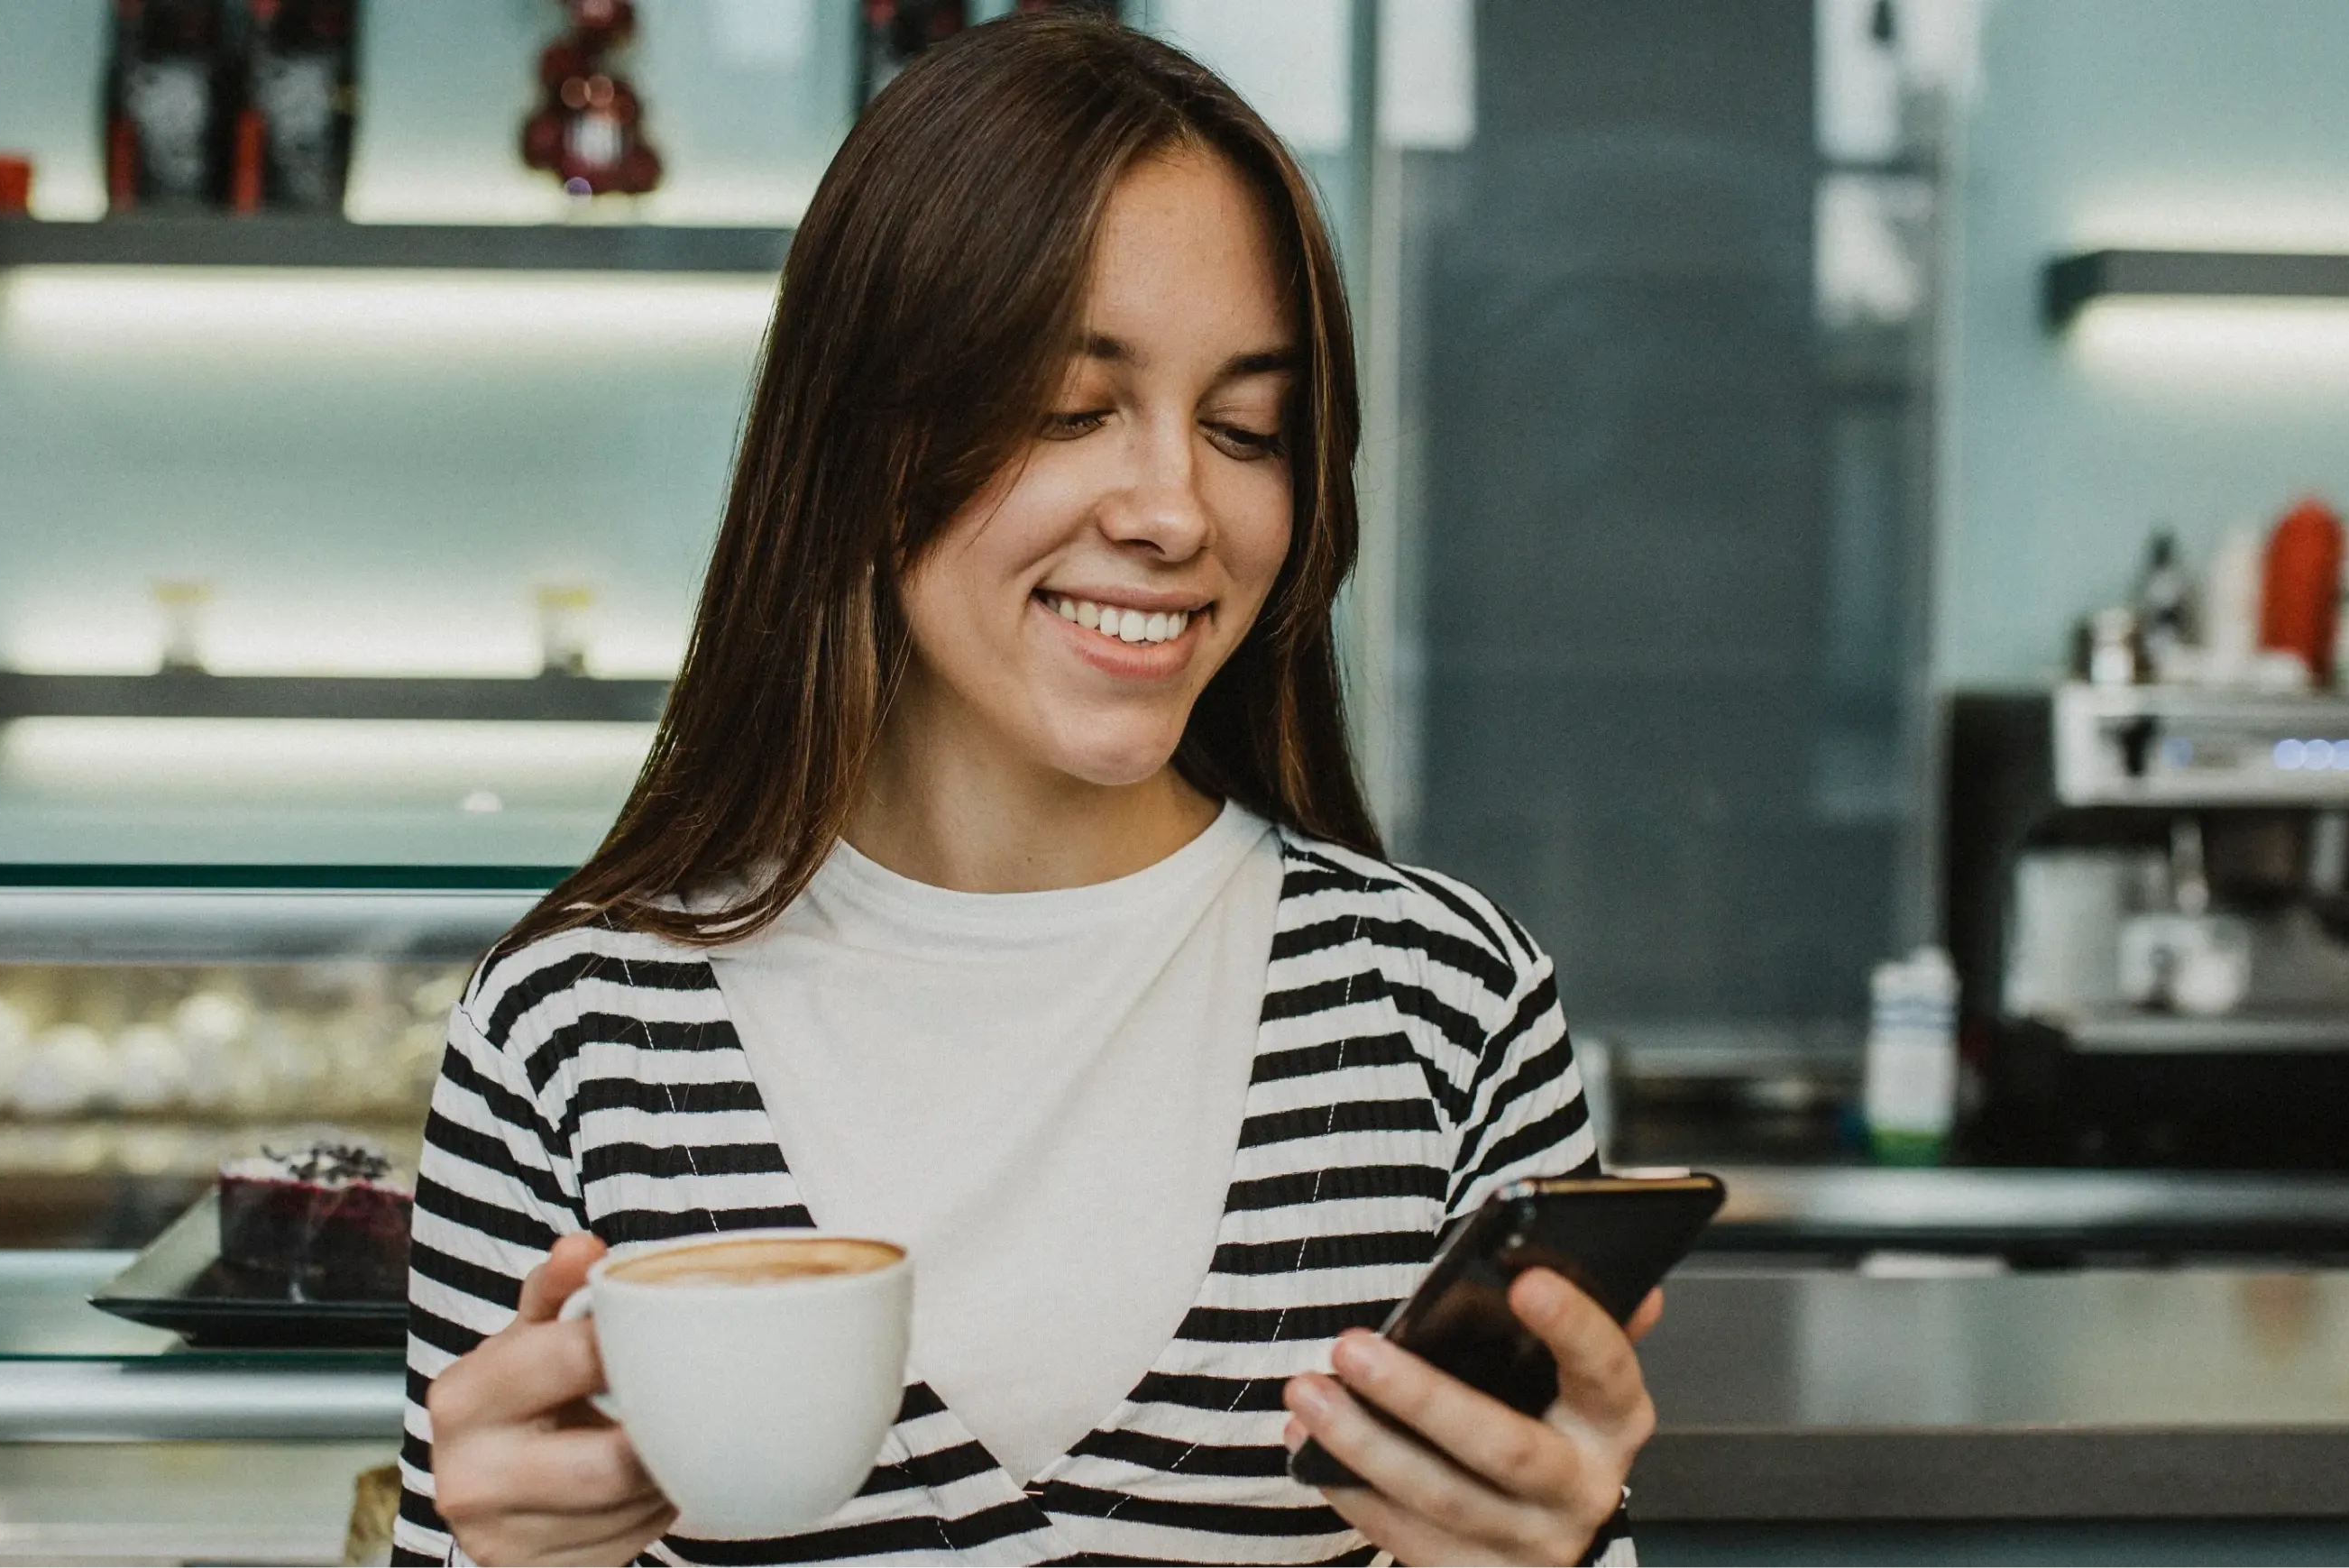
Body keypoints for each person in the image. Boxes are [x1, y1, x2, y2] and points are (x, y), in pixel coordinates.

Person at [399, 14, 1659, 1568]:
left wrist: (1562, 1551)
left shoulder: (1445, 1007)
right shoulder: (574, 1029)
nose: (1174, 510)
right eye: (1074, 409)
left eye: (1246, 428)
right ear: (864, 438)